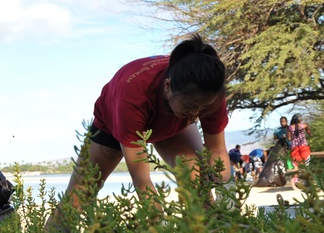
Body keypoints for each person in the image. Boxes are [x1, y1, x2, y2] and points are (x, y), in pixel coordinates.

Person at [56, 34, 231, 214]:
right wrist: (155, 216)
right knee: (79, 196)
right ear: (168, 86)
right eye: (191, 106)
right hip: (112, 122)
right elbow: (141, 179)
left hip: (172, 116)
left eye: (203, 108)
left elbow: (217, 150)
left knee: (197, 178)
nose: (195, 114)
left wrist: (220, 179)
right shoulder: (132, 96)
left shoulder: (210, 95)